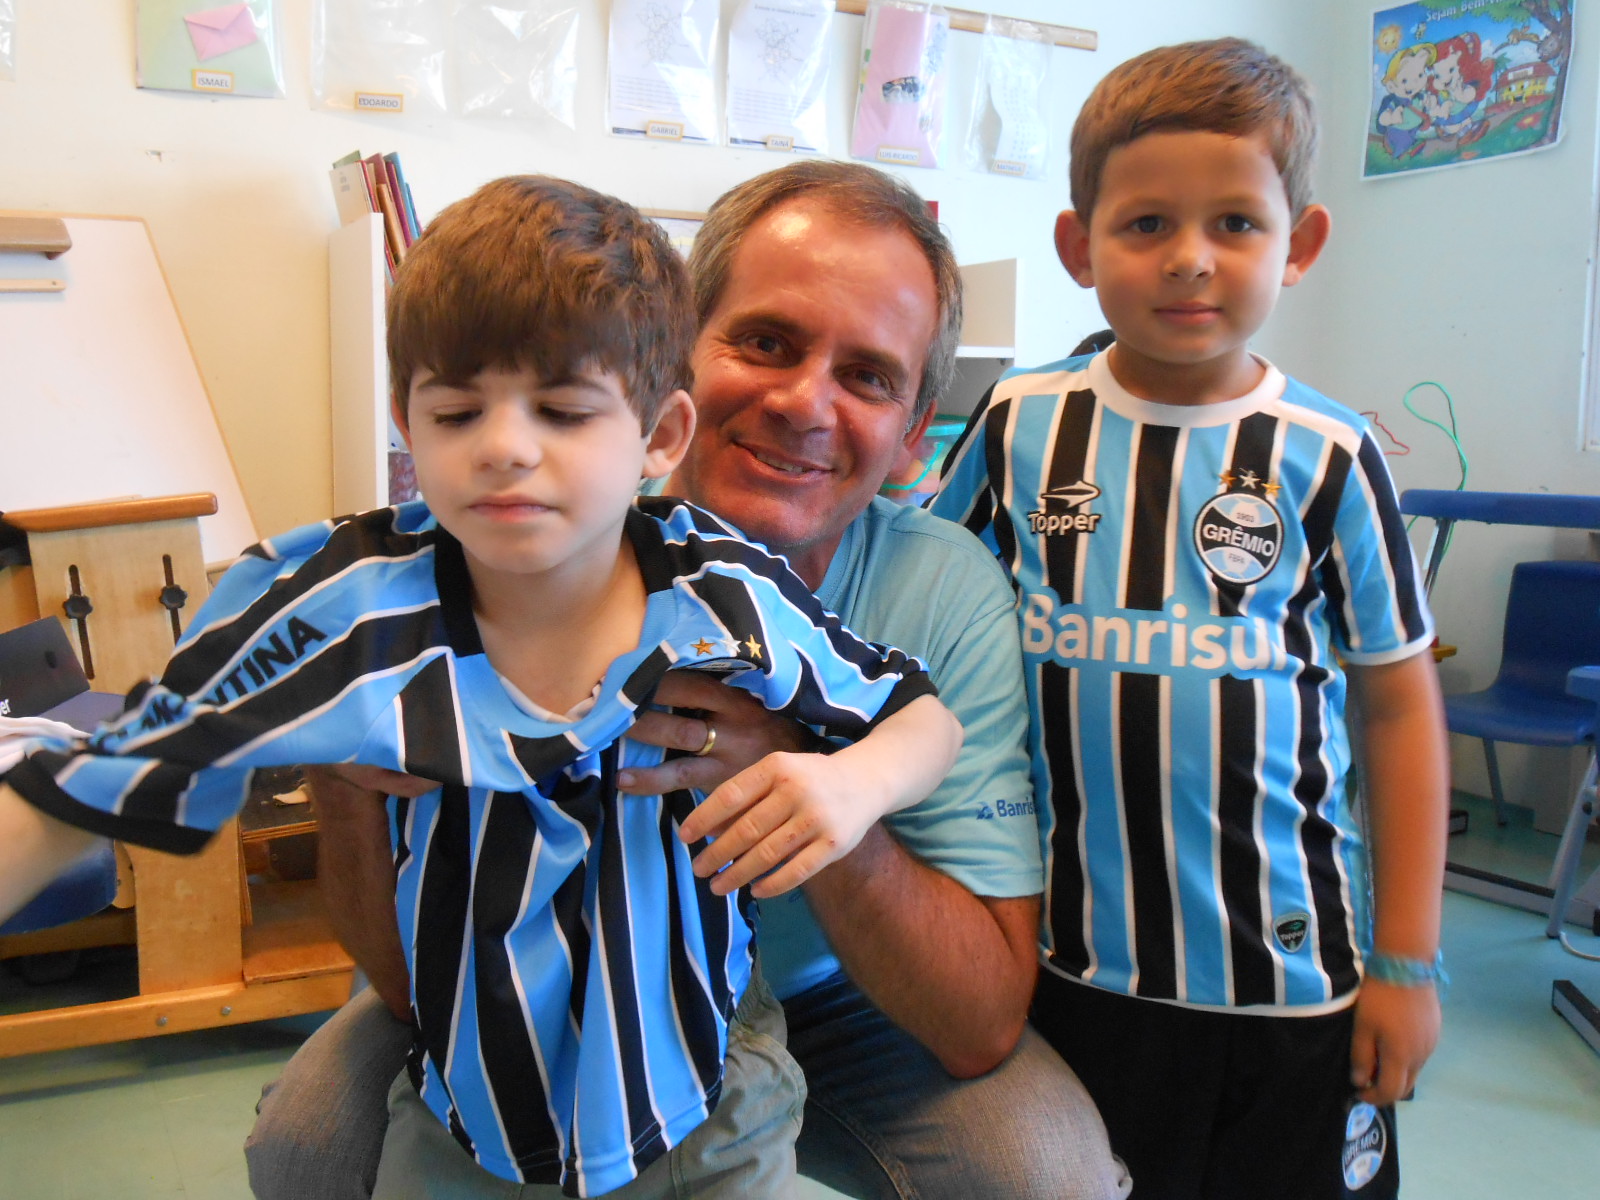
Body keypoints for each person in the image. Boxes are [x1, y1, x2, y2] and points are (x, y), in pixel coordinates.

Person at [0, 175, 968, 1199]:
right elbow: (104, 776)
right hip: (469, 1106)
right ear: (406, 423)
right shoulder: (349, 603)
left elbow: (919, 719)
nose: (504, 446)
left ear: (659, 437)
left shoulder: (719, 589)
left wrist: (847, 786)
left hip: (698, 1095)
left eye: (560, 410)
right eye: (457, 411)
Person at [245, 161, 1131, 1200]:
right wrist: (344, 781)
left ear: (911, 432)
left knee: (1044, 1176)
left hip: (834, 996)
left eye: (868, 377)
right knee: (307, 1146)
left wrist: (794, 776)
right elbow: (401, 986)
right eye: (764, 342)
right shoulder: (508, 552)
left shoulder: (940, 593)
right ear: (675, 356)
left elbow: (978, 1021)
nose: (805, 404)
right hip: (539, 972)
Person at [932, 39, 1450, 1200]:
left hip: (1289, 980)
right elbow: (915, 599)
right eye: (1146, 224)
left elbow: (1400, 709)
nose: (1190, 261)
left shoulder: (1329, 456)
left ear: (1298, 245)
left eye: (1234, 224)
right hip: (1074, 974)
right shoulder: (1019, 425)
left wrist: (1408, 963)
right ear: (1079, 246)